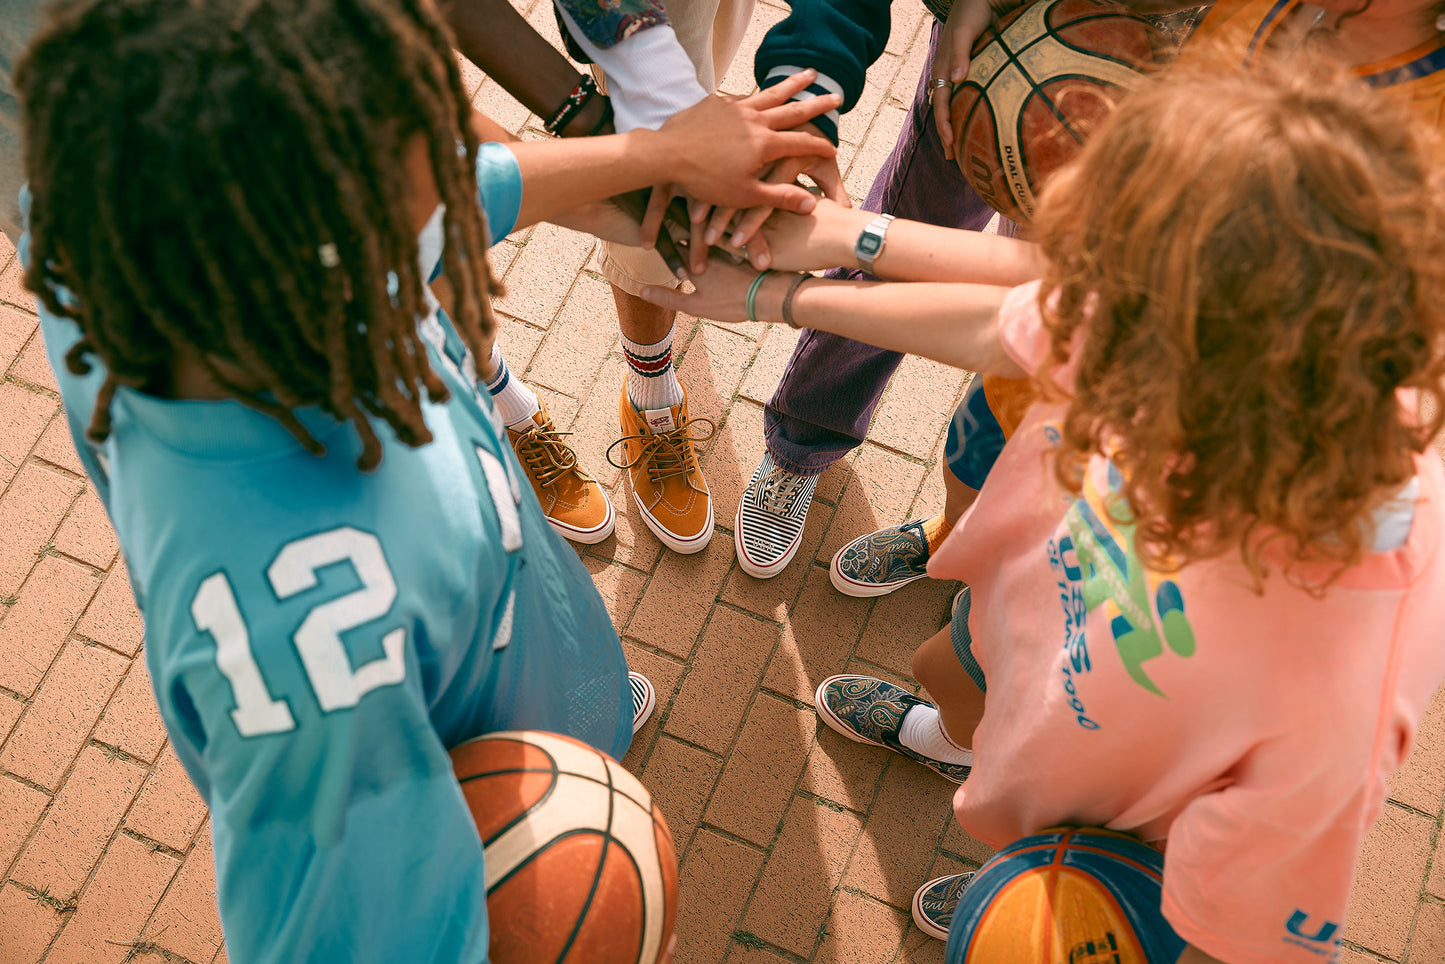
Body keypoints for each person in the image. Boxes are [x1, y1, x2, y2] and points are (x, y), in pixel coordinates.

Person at [15, 0, 835, 958]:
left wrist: (659, 158)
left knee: (546, 653)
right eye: (415, 133)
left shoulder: (153, 247)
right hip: (433, 745)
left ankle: (582, 715)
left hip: (502, 636)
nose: (458, 146)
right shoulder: (305, 671)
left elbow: (475, 185)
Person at [643, 62, 1445, 963]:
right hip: (1040, 626)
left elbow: (1243, 925)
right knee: (946, 672)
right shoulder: (1225, 318)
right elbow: (1008, 322)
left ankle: (1023, 890)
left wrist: (1082, 920)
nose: (1094, 292)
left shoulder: (1348, 670)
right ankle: (953, 749)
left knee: (1037, 903)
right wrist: (782, 284)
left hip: (1117, 827)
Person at [732, 0, 1445, 594]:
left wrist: (797, 279)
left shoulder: (1412, 131)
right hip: (1052, 83)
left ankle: (972, 579)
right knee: (932, 298)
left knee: (1029, 408)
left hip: (1161, 317)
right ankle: (826, 466)